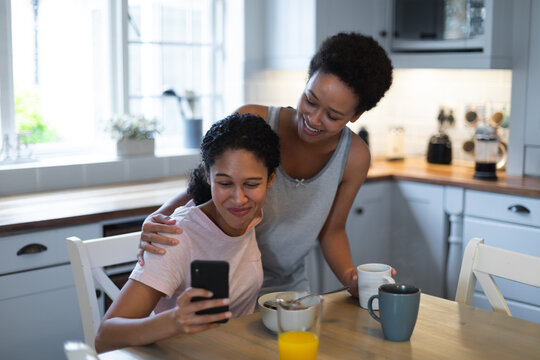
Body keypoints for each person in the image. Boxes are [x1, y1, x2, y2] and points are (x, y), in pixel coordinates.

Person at [138, 32, 393, 298]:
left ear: (356, 115)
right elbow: (207, 186)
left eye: (332, 115)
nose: (314, 119)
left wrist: (350, 277)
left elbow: (333, 230)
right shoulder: (254, 120)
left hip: (286, 291)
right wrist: (160, 216)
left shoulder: (354, 157)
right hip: (224, 282)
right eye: (311, 100)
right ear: (306, 82)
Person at [94, 113, 280, 353]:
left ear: (270, 179)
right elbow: (104, 337)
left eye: (251, 184)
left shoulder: (250, 218)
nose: (239, 199)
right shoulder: (176, 236)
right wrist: (174, 320)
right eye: (224, 183)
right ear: (207, 176)